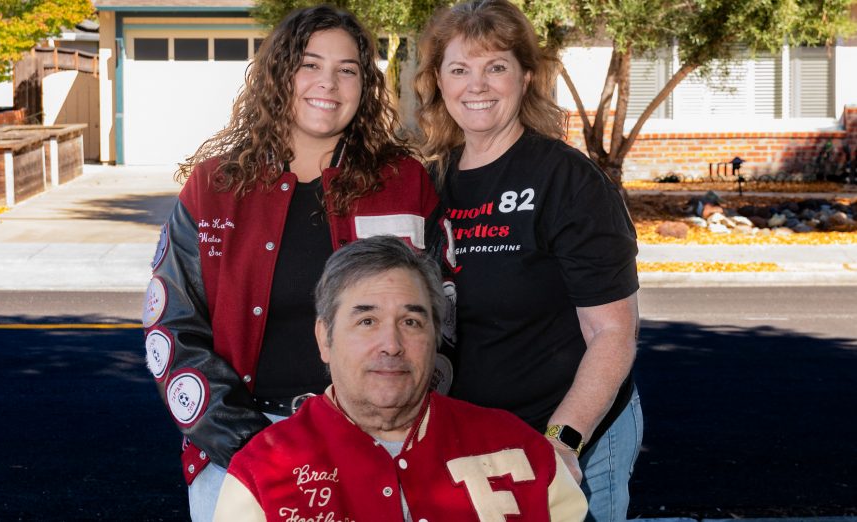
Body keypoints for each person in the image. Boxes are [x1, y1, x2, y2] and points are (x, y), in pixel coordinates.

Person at [141, 6, 442, 520]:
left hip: (382, 448)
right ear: (280, 74)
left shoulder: (405, 182)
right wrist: (250, 445)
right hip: (239, 455)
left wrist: (388, 424)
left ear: (364, 85)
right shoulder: (215, 187)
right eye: (310, 64)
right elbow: (170, 328)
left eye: (347, 69)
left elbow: (443, 318)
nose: (329, 82)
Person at [414, 1, 642, 520]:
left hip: (569, 431)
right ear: (437, 83)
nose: (478, 85)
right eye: (460, 69)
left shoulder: (568, 181)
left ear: (525, 77)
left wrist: (561, 441)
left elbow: (612, 333)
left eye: (496, 67)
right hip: (470, 437)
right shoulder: (431, 183)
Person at [212, 235, 587, 521]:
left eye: (411, 321)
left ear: (435, 338)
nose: (391, 345)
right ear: (324, 339)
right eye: (366, 321)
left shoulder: (520, 447)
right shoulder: (260, 473)